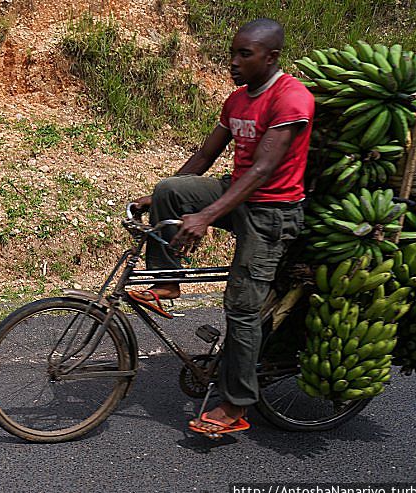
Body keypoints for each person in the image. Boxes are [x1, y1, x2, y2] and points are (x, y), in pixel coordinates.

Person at [129, 18, 314, 436]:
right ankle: (167, 282)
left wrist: (208, 216)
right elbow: (204, 156)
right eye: (232, 52)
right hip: (239, 193)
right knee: (172, 190)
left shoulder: (291, 98)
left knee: (242, 307)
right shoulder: (237, 101)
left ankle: (235, 405)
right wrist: (156, 195)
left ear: (271, 57)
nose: (233, 62)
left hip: (273, 211)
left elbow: (264, 169)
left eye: (243, 55)